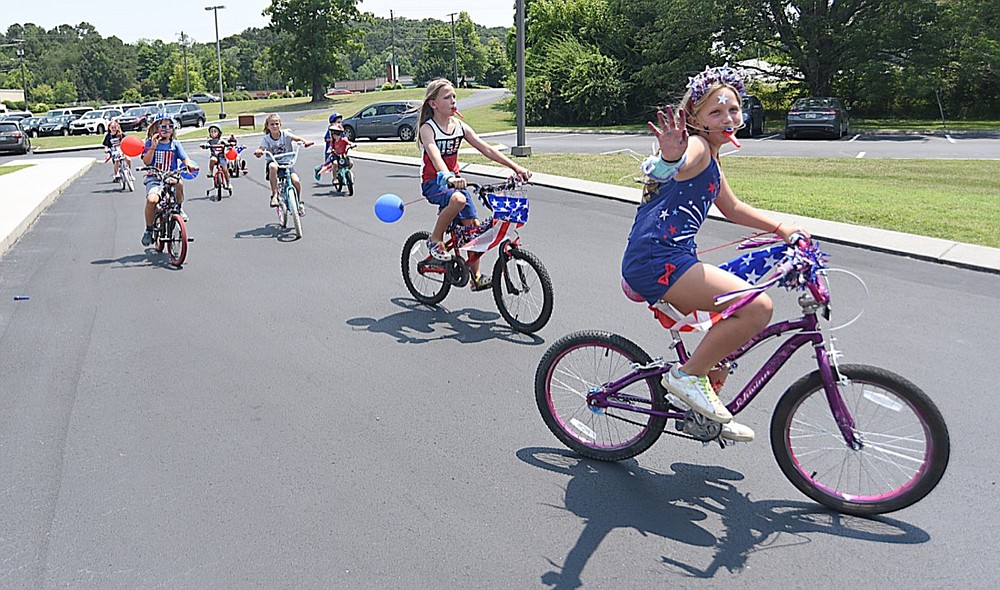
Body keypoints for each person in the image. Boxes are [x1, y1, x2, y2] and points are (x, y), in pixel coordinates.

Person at [620, 65, 807, 443]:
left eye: (734, 110)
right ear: (695, 119)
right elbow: (672, 167)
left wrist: (782, 228)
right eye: (716, 112)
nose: (728, 118)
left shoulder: (715, 161)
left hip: (671, 258)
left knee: (723, 342)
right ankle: (685, 377)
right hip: (658, 261)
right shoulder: (698, 147)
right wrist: (669, 160)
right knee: (757, 308)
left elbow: (733, 208)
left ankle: (704, 416)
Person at [418, 78, 531, 289]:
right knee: (459, 199)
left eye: (454, 97)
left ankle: (476, 278)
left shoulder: (459, 126)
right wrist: (448, 176)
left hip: (455, 183)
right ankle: (435, 239)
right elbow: (435, 156)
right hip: (434, 183)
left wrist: (516, 168)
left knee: (475, 230)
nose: (453, 101)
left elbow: (487, 149)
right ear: (433, 104)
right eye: (447, 97)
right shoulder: (428, 128)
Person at [139, 113, 199, 246]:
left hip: (171, 175)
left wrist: (189, 165)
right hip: (155, 177)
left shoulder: (175, 144)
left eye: (170, 126)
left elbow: (185, 158)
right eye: (163, 126)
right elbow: (147, 162)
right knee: (152, 200)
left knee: (178, 183)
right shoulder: (150, 143)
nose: (166, 129)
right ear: (156, 128)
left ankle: (178, 207)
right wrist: (153, 146)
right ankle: (149, 229)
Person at [253, 113, 314, 213]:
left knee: (296, 181)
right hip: (274, 162)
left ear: (280, 124)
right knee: (272, 166)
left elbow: (297, 139)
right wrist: (259, 152)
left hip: (287, 163)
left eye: (277, 124)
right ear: (267, 126)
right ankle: (275, 195)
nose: (275, 126)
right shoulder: (266, 139)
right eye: (272, 124)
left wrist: (305, 142)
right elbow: (261, 148)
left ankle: (298, 202)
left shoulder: (285, 134)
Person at [314, 112, 344, 180]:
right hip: (330, 151)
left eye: (341, 122)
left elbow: (344, 137)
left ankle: (341, 176)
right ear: (332, 123)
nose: (340, 124)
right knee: (329, 165)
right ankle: (318, 169)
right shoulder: (331, 130)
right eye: (338, 122)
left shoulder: (341, 129)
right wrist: (332, 139)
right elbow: (326, 139)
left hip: (339, 150)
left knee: (342, 162)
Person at [203, 124, 232, 190]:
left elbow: (227, 143)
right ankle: (210, 171)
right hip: (214, 156)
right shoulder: (210, 141)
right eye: (211, 132)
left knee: (225, 170)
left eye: (215, 131)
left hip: (221, 157)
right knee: (212, 160)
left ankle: (228, 183)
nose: (213, 133)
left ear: (219, 133)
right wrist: (204, 145)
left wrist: (229, 145)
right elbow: (206, 144)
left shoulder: (221, 141)